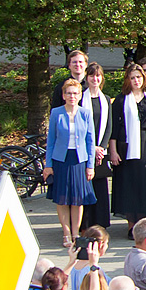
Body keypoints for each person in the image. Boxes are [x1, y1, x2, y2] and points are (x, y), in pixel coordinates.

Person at [46, 76, 99, 248]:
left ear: (79, 95)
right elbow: (51, 140)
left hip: (79, 160)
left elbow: (91, 141)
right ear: (63, 95)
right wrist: (48, 165)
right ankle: (66, 234)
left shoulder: (85, 113)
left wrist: (90, 165)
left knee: (77, 199)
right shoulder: (56, 113)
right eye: (68, 93)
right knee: (62, 199)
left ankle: (76, 233)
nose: (72, 96)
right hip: (61, 159)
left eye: (75, 93)